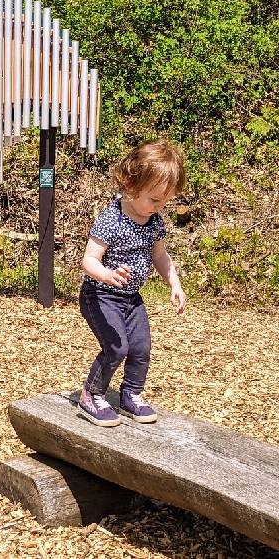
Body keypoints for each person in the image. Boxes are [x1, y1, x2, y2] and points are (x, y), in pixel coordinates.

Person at [76, 139, 186, 426]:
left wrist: (174, 283)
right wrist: (106, 275)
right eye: (154, 199)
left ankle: (131, 395)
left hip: (131, 297)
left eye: (165, 201)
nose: (159, 206)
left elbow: (159, 255)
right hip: (100, 295)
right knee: (117, 346)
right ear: (132, 185)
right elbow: (88, 260)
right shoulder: (111, 219)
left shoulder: (153, 222)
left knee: (140, 348)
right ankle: (92, 394)